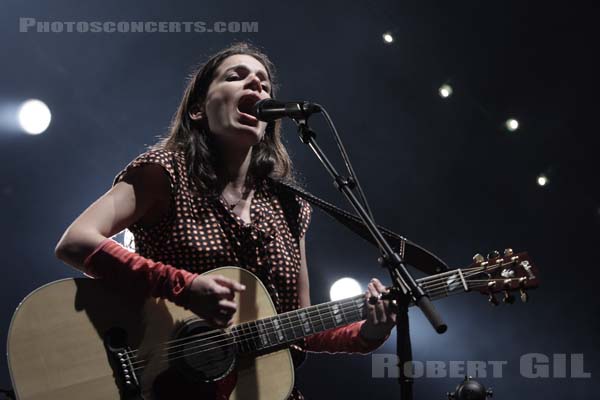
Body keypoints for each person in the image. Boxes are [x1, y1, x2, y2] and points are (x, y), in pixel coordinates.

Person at [55, 42, 396, 399]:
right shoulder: (164, 173)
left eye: (264, 85)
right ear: (199, 109)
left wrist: (367, 333)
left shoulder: (290, 206)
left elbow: (297, 326)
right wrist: (185, 289)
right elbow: (76, 241)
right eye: (237, 77)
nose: (256, 86)